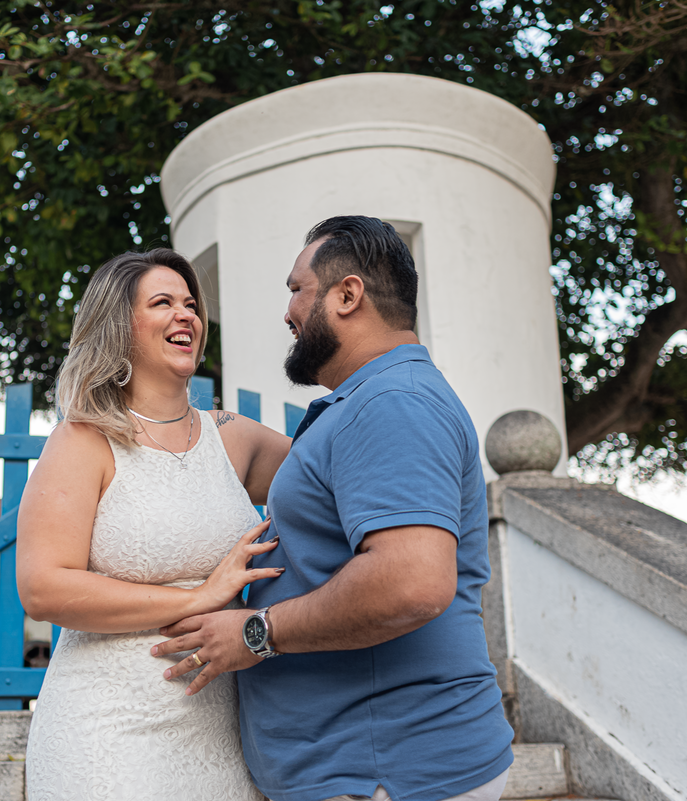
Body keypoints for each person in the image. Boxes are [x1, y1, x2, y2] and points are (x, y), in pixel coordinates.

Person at [154, 216, 516, 801]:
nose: (288, 312)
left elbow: (412, 583)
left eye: (297, 289)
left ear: (348, 295)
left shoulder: (392, 403)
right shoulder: (369, 401)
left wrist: (256, 632)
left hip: (385, 770)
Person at [17, 248, 291, 801]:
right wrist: (198, 598)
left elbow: (336, 483)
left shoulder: (232, 438)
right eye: (162, 302)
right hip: (107, 735)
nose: (184, 314)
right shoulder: (82, 440)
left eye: (189, 303)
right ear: (120, 327)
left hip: (222, 734)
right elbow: (43, 587)